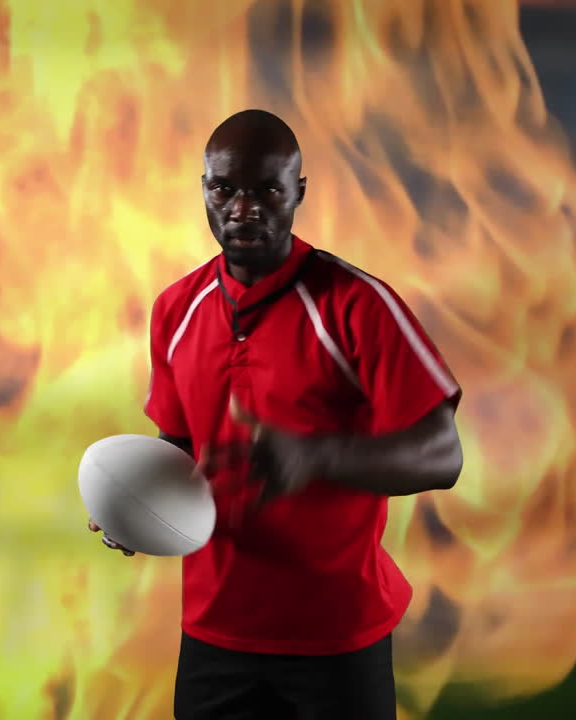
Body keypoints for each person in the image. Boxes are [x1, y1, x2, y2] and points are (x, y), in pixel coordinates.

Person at [88, 109, 464, 719]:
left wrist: (316, 456)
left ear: (299, 191)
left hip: (337, 636)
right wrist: (134, 502)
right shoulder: (176, 309)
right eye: (224, 189)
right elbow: (179, 448)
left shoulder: (357, 305)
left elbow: (444, 455)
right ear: (204, 190)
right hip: (215, 632)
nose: (243, 209)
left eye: (267, 189)